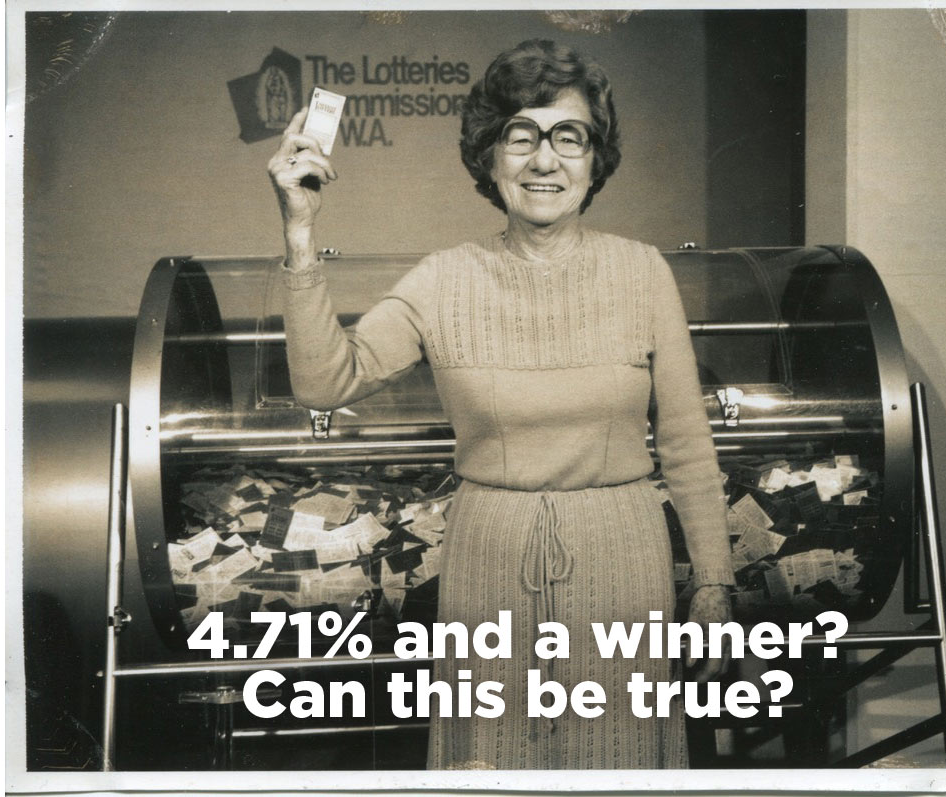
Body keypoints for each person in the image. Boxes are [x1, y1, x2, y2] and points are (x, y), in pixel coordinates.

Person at [266, 39, 735, 770]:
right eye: (521, 136)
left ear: (595, 158)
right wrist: (299, 231)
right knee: (491, 765)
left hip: (625, 560)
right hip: (490, 561)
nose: (544, 160)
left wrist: (713, 584)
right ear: (489, 157)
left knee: (619, 763)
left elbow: (685, 441)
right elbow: (325, 383)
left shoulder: (642, 272)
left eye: (568, 137)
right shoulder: (442, 280)